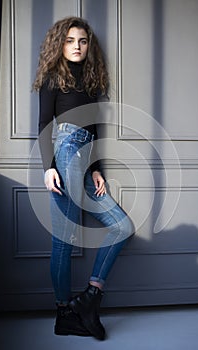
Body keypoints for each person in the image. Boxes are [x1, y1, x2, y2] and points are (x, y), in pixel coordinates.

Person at [33, 16, 134, 341]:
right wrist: (49, 166)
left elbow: (94, 130)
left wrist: (96, 167)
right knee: (63, 239)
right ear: (59, 44)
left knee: (122, 227)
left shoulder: (91, 81)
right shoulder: (52, 79)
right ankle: (64, 313)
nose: (77, 46)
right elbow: (45, 125)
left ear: (89, 46)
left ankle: (90, 296)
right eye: (70, 40)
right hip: (63, 153)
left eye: (83, 41)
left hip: (85, 157)